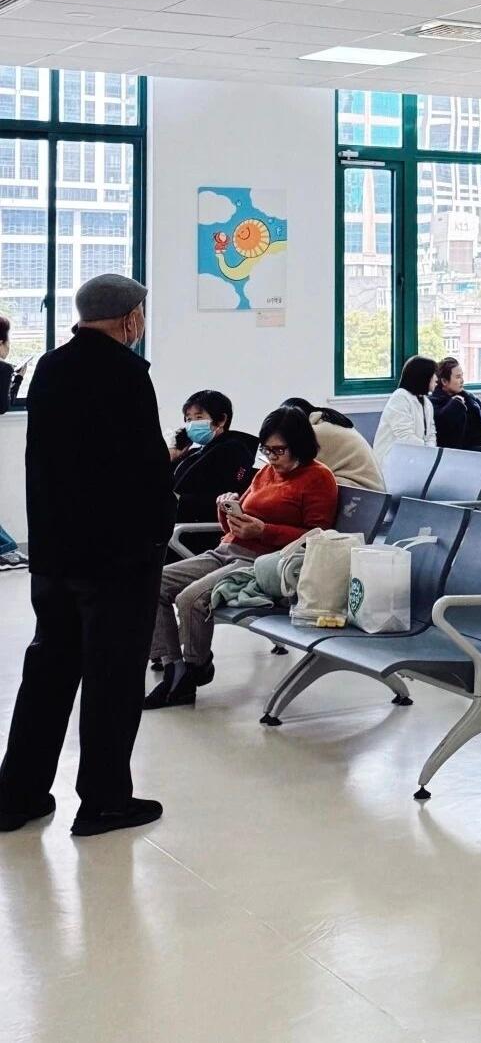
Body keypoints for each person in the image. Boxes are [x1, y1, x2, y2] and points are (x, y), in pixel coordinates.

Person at [0, 275, 174, 837]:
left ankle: (17, 795)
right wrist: (159, 529)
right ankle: (104, 802)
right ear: (129, 319)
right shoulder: (127, 373)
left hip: (55, 554)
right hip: (118, 559)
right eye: (141, 313)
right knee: (112, 679)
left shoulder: (50, 368)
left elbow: (45, 462)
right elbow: (146, 466)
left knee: (48, 671)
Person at [143, 406, 339, 710]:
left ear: (300, 445)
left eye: (279, 450)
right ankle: (175, 669)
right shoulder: (266, 473)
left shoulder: (318, 478)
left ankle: (192, 671)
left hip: (264, 563)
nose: (272, 457)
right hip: (227, 550)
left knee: (191, 600)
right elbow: (237, 525)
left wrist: (264, 530)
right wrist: (227, 509)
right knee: (151, 583)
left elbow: (317, 538)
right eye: (267, 450)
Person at [169, 389, 259, 540]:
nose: (191, 424)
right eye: (188, 419)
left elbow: (222, 498)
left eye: (199, 417)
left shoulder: (234, 450)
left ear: (221, 420)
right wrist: (174, 457)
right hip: (174, 524)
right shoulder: (195, 452)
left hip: (197, 531)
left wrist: (175, 500)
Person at [280, 397, 384, 492]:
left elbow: (290, 469)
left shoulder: (314, 433)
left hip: (362, 494)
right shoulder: (327, 423)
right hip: (373, 492)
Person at [0, 313, 30, 569]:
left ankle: (7, 549)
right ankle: (7, 550)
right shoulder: (3, 368)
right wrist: (17, 377)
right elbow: (2, 406)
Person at [373, 356, 438, 466]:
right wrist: (426, 451)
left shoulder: (427, 402)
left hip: (415, 459)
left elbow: (431, 433)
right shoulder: (400, 397)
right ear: (423, 376)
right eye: (433, 374)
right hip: (392, 463)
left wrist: (430, 451)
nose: (436, 379)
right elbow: (405, 436)